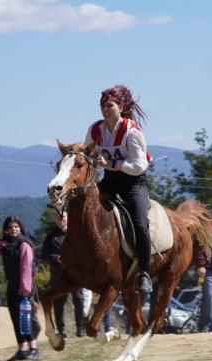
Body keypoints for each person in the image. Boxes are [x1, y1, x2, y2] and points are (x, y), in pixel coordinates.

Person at [83, 84, 153, 294]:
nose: (105, 109)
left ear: (121, 107)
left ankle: (144, 273)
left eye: (110, 105)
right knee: (85, 209)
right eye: (102, 105)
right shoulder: (95, 129)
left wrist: (111, 164)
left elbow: (140, 166)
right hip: (110, 180)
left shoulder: (131, 132)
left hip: (133, 183)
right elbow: (88, 153)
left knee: (140, 224)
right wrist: (92, 160)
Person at [0, 216, 42, 361]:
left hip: (24, 287)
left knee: (26, 318)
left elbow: (26, 267)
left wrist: (25, 289)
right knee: (15, 319)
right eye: (11, 227)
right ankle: (22, 349)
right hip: (12, 286)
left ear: (21, 228)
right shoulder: (6, 245)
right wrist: (3, 242)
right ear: (6, 229)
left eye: (16, 227)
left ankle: (34, 348)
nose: (14, 230)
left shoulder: (24, 244)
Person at [42, 211, 88, 338]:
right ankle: (61, 330)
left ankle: (81, 328)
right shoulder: (50, 236)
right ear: (55, 220)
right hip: (58, 275)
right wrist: (55, 257)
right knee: (58, 302)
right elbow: (44, 255)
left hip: (76, 274)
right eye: (59, 218)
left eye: (64, 218)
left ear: (68, 218)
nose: (61, 220)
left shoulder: (76, 233)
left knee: (79, 300)